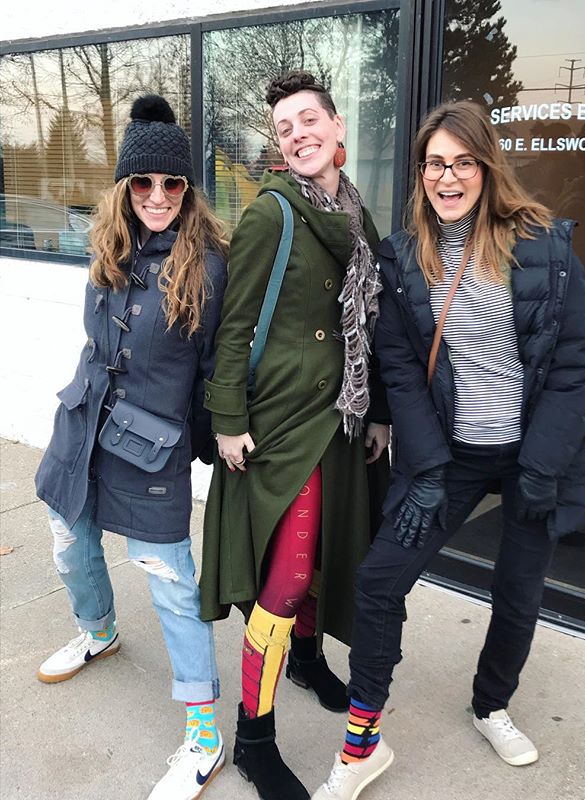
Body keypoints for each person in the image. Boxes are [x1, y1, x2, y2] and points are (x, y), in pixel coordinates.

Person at [311, 100, 585, 800]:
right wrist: (425, 469)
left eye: (463, 161)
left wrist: (543, 467)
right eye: (435, 163)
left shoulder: (544, 246)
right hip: (450, 457)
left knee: (516, 594)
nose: (448, 176)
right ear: (421, 174)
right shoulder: (403, 258)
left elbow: (577, 367)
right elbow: (399, 367)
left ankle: (491, 705)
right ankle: (363, 743)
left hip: (533, 456)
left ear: (487, 167)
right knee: (379, 583)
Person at [199, 70, 390, 800]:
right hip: (284, 425)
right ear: (281, 147)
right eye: (285, 128)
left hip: (340, 419)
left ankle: (306, 658)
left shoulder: (357, 218)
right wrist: (227, 422)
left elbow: (371, 329)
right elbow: (234, 326)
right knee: (283, 579)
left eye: (310, 119)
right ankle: (254, 738)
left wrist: (377, 411)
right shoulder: (272, 215)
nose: (299, 133)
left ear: (339, 130)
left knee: (318, 563)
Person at [34, 95, 229, 800]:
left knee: (173, 583)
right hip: (81, 425)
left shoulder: (208, 267)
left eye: (171, 184)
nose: (156, 196)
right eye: (142, 183)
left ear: (187, 190)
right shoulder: (106, 248)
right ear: (124, 187)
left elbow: (215, 370)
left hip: (151, 448)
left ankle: (204, 735)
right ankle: (98, 631)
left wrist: (210, 442)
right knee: (67, 538)